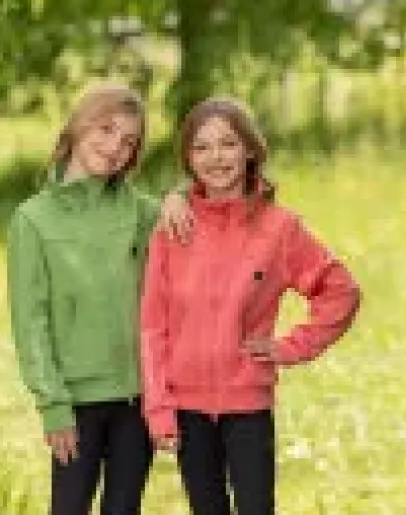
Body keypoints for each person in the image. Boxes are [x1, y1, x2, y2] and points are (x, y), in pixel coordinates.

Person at [140, 97, 361, 515]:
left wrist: (291, 347)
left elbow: (341, 292)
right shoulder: (172, 228)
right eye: (201, 147)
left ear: (250, 150)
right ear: (188, 159)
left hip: (248, 406)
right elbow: (153, 326)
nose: (215, 157)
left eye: (228, 143)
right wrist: (159, 408)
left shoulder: (280, 229)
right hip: (187, 409)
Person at [6, 83, 189, 515]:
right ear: (78, 126)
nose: (114, 148)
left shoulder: (141, 212)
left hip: (135, 399)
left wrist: (177, 195)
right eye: (106, 130)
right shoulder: (32, 220)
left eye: (128, 142)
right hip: (74, 402)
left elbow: (205, 209)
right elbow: (30, 322)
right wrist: (52, 404)